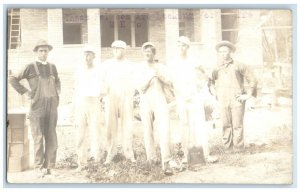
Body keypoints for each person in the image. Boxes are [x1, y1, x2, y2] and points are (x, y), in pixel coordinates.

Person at [9, 39, 61, 177]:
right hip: (37, 107)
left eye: (46, 51)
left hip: (52, 107)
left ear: (49, 51)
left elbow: (58, 81)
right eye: (41, 51)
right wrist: (26, 92)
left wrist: (58, 92)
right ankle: (39, 167)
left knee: (51, 135)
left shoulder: (52, 67)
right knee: (38, 137)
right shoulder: (30, 67)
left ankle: (50, 166)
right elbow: (12, 79)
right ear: (36, 52)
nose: (44, 53)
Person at [170, 36, 218, 169]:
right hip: (181, 97)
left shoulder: (193, 60)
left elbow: (205, 74)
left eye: (184, 45)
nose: (181, 48)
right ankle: (185, 156)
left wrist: (199, 86)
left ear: (188, 47)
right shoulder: (174, 62)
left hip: (194, 96)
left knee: (199, 124)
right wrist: (179, 92)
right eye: (179, 45)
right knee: (184, 125)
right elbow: (171, 81)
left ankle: (205, 154)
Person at [211, 40, 257, 153]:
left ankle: (238, 149)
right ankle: (227, 149)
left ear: (230, 52)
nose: (223, 54)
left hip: (237, 99)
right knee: (226, 125)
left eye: (225, 51)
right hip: (223, 100)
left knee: (237, 125)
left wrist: (248, 95)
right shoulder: (216, 67)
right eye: (220, 52)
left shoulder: (239, 65)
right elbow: (210, 81)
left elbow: (253, 80)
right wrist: (214, 92)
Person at [138, 42, 177, 175]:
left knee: (164, 129)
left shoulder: (160, 66)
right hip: (146, 100)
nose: (148, 53)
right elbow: (141, 88)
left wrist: (159, 75)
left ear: (154, 54)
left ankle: (166, 159)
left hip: (159, 98)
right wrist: (151, 76)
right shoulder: (140, 68)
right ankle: (151, 158)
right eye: (145, 51)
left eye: (150, 51)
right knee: (147, 130)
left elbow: (170, 83)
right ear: (143, 53)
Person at [102, 40, 136, 164]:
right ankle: (110, 154)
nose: (116, 50)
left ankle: (129, 154)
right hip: (111, 97)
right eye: (114, 48)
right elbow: (101, 81)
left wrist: (131, 95)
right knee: (110, 127)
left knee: (127, 126)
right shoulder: (107, 64)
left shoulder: (130, 65)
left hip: (126, 97)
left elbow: (135, 82)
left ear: (124, 50)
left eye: (119, 48)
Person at [73, 45, 106, 170]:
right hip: (81, 103)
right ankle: (81, 163)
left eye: (89, 54)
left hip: (94, 102)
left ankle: (97, 162)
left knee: (96, 133)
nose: (87, 57)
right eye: (85, 54)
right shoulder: (78, 70)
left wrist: (99, 93)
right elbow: (75, 89)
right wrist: (74, 108)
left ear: (94, 56)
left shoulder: (99, 70)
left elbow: (104, 89)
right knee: (80, 134)